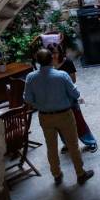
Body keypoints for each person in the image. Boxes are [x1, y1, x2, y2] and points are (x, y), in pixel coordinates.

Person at [23, 48, 95, 185]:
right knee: (73, 145)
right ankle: (80, 173)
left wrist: (40, 104)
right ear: (51, 59)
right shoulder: (61, 75)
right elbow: (76, 94)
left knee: (51, 147)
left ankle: (56, 175)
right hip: (64, 115)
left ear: (38, 62)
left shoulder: (30, 78)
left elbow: (27, 99)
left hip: (45, 116)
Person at [47, 43, 98, 153]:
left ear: (60, 52)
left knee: (78, 121)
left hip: (70, 97)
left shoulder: (67, 62)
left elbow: (73, 80)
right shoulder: (48, 65)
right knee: (60, 124)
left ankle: (91, 142)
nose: (53, 55)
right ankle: (67, 144)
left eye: (55, 52)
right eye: (51, 53)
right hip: (56, 100)